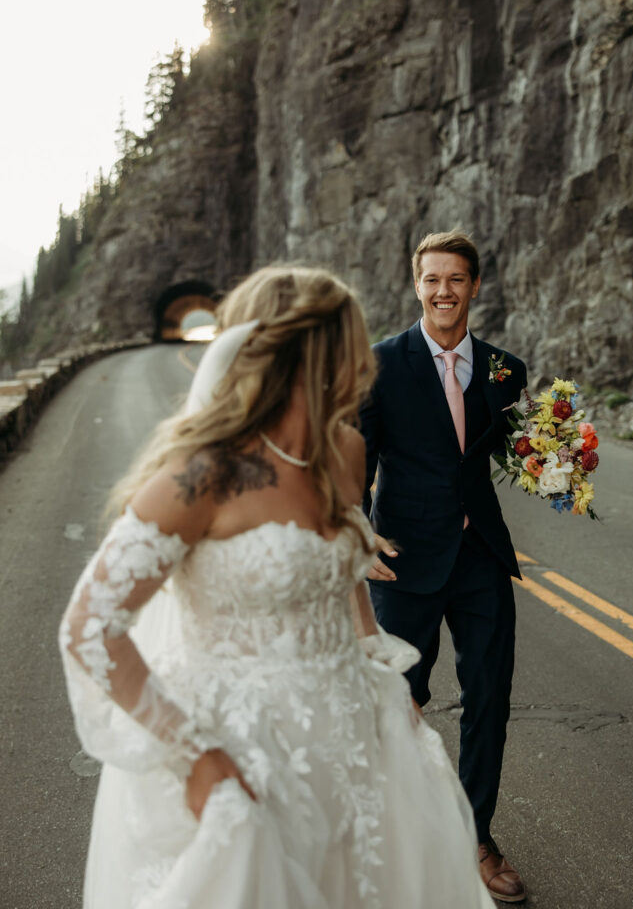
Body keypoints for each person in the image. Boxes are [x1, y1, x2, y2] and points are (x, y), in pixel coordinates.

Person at [59, 265, 494, 909]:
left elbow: (339, 572)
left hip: (348, 728)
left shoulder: (343, 450)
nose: (363, 359)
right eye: (350, 340)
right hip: (245, 745)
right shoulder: (205, 473)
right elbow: (90, 626)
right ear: (314, 351)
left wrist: (376, 660)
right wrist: (196, 755)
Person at [360, 233, 528, 903]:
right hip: (400, 559)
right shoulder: (380, 363)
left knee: (489, 697)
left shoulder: (500, 369)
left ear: (475, 286)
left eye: (455, 279)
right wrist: (357, 533)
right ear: (415, 283)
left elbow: (511, 448)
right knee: (398, 702)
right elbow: (357, 455)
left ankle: (474, 838)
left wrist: (557, 462)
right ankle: (391, 842)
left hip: (479, 556)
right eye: (431, 279)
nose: (442, 292)